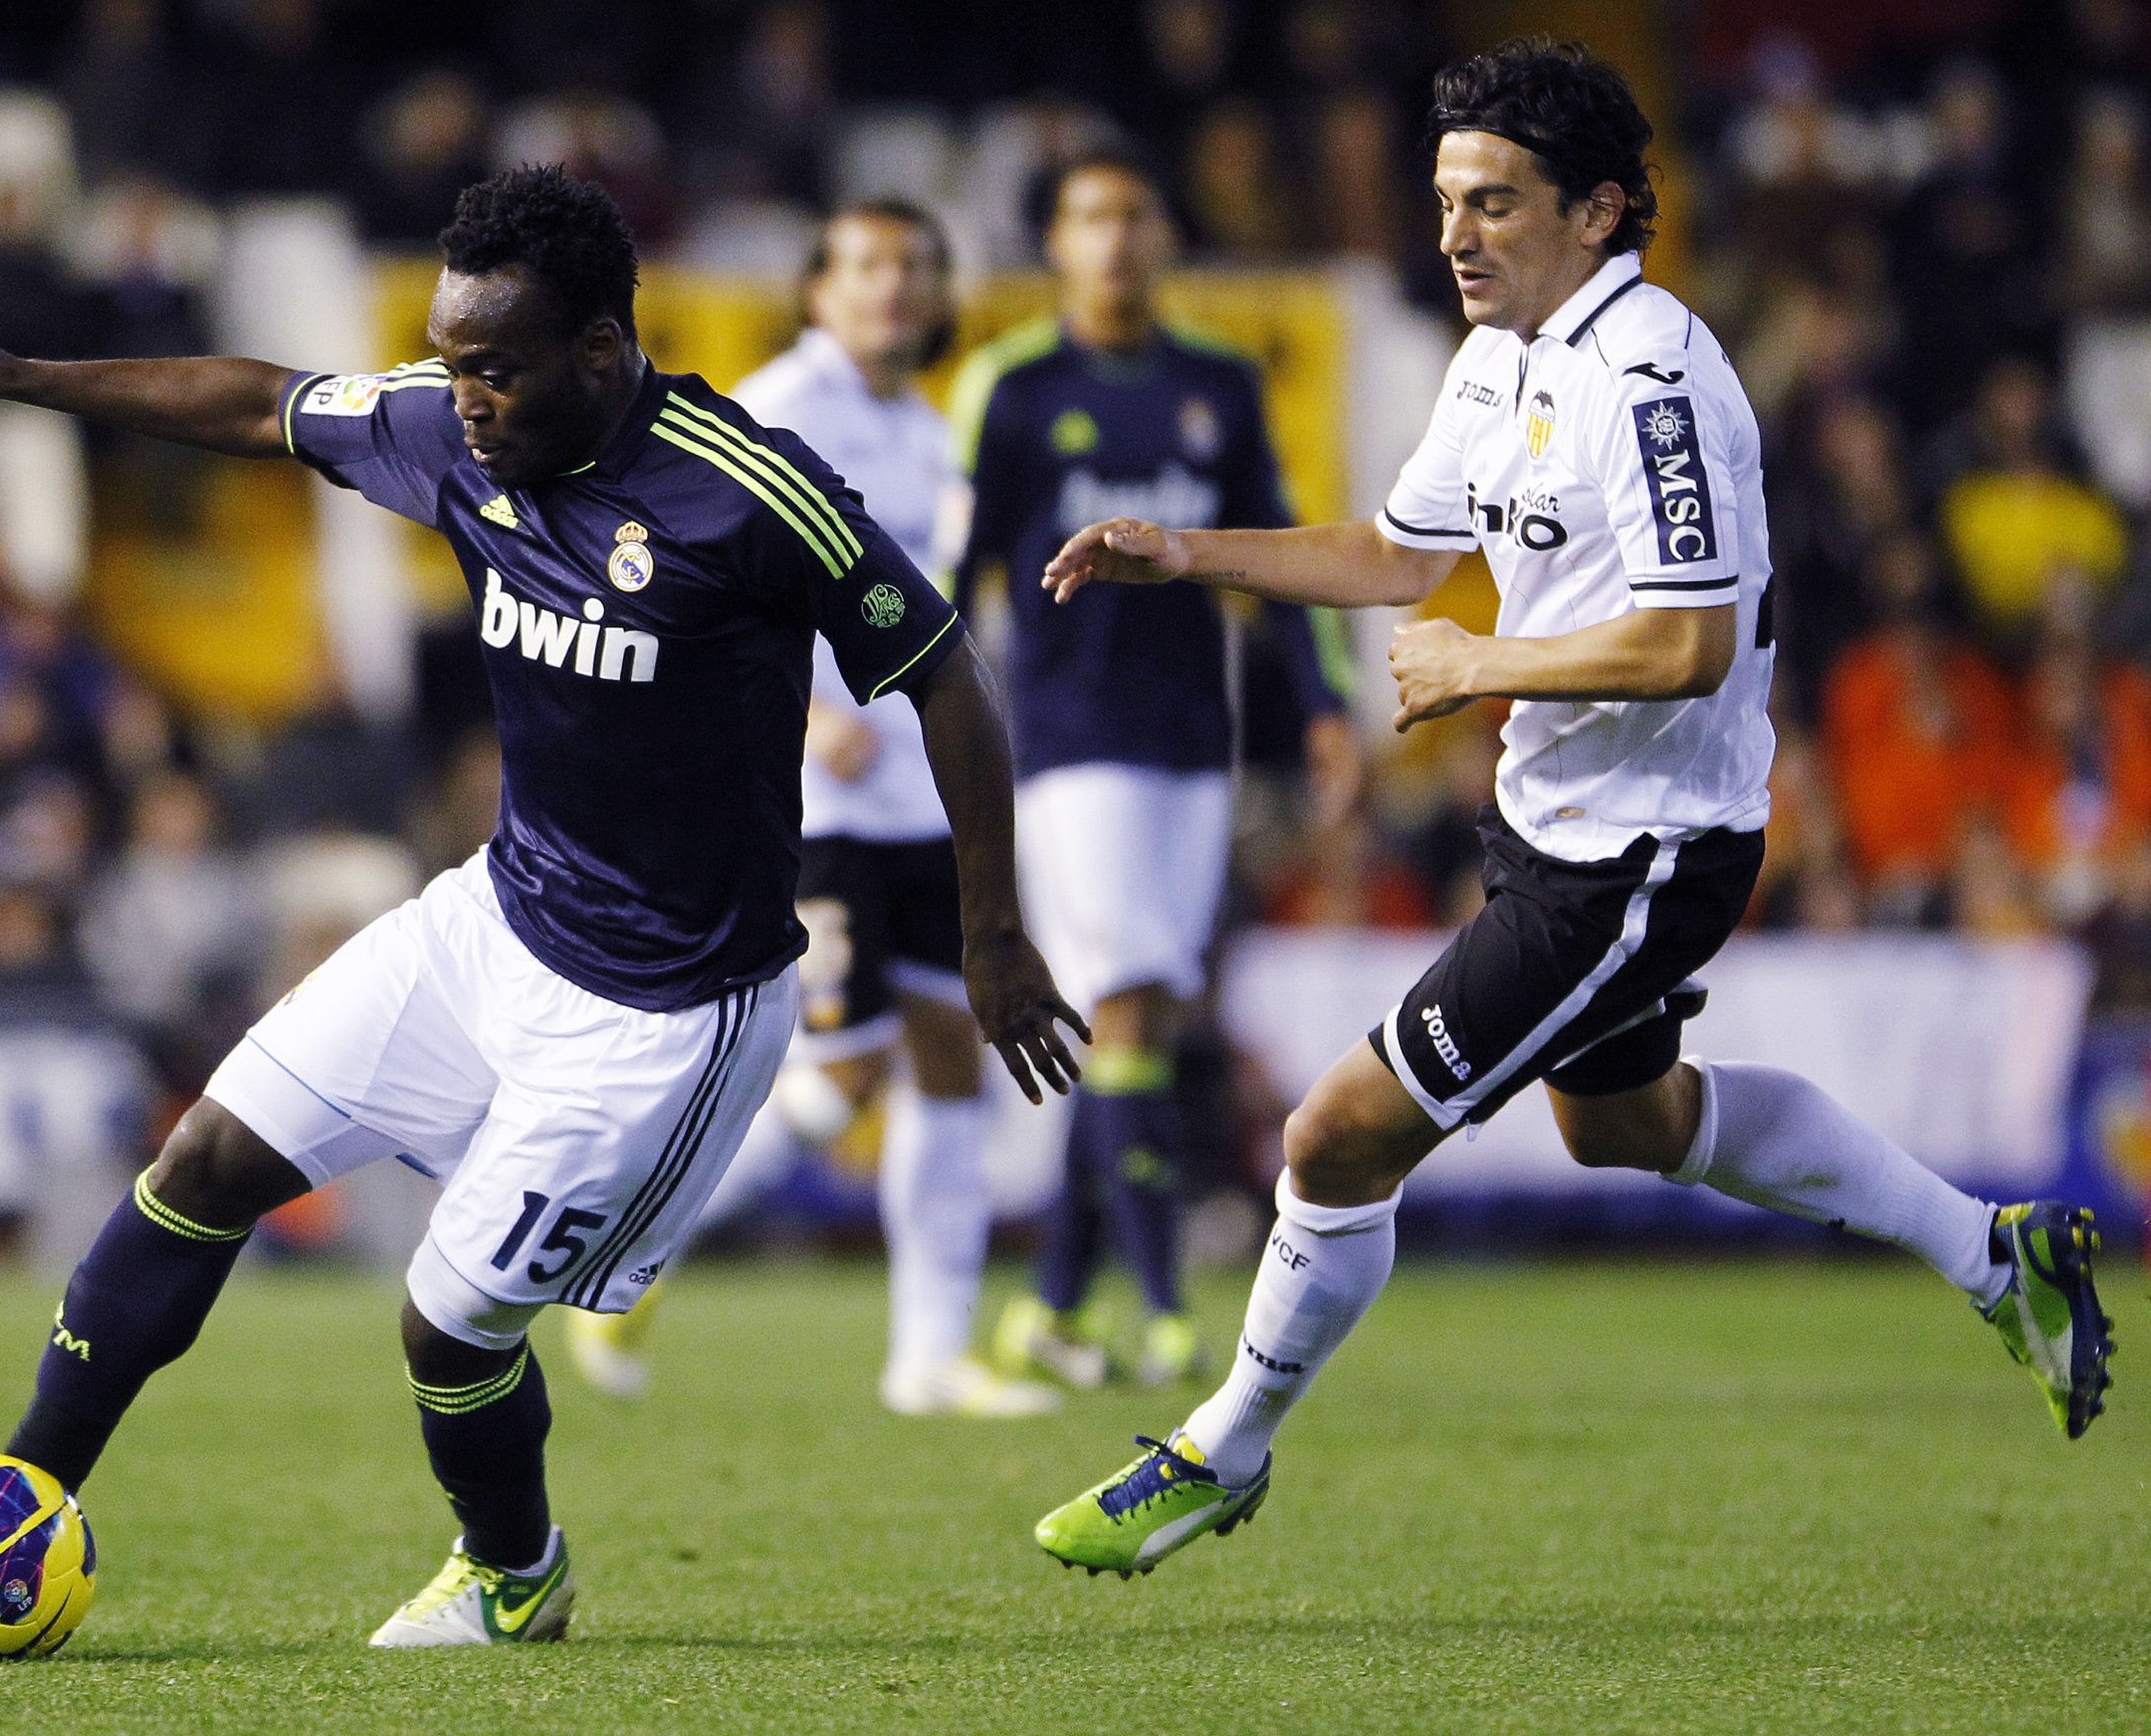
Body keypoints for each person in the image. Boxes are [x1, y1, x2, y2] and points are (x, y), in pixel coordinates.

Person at [0, 165, 1085, 1643]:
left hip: (668, 1012)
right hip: (496, 920)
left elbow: (946, 672)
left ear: (601, 355)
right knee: (207, 1158)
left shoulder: (746, 490)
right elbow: (258, 403)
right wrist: (15, 374)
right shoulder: (449, 428)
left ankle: (516, 1571)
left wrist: (989, 931)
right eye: (450, 359)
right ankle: (13, 1502)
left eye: (492, 367)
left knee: (446, 1321)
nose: (459, 393)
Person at [1026, 41, 2114, 1579]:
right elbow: (1398, 554)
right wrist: (1187, 555)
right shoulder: (1499, 360)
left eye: (1497, 203)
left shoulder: (1654, 376)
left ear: (1599, 211)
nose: (1458, 234)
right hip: (1558, 821)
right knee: (1626, 1123)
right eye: (1448, 200)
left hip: (1647, 852)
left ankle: (1220, 1450)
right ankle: (1996, 1252)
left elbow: (1691, 639)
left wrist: (1486, 661)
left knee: (1334, 1136)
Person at [564, 199, 1056, 1419]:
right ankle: (622, 1256)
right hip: (809, 798)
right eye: (869, 264)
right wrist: (806, 713)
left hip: (922, 800)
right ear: (818, 288)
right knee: (843, 1067)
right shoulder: (774, 409)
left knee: (948, 1054)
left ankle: (928, 1356)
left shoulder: (937, 432)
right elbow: (695, 582)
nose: (894, 287)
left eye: (917, 267)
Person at [957, 146, 1352, 1391]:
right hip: (1069, 739)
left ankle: (1054, 1310)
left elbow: (1274, 554)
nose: (1116, 239)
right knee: (1126, 1004)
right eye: (1089, 218)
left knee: (1144, 1015)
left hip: (1195, 737)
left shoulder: (1219, 386)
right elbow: (947, 570)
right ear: (1057, 245)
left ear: (1167, 236)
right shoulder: (1010, 387)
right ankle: (1176, 1311)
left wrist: (1326, 703)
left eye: (1135, 215)